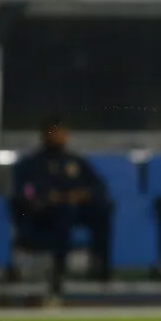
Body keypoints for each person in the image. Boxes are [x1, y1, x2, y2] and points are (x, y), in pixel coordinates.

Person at [11, 118, 112, 297]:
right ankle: (60, 270)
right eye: (54, 132)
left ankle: (102, 269)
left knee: (102, 210)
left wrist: (82, 195)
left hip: (76, 209)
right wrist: (51, 198)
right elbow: (27, 192)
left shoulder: (75, 161)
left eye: (62, 132)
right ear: (45, 135)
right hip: (46, 213)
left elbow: (98, 186)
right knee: (65, 212)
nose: (59, 136)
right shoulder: (33, 163)